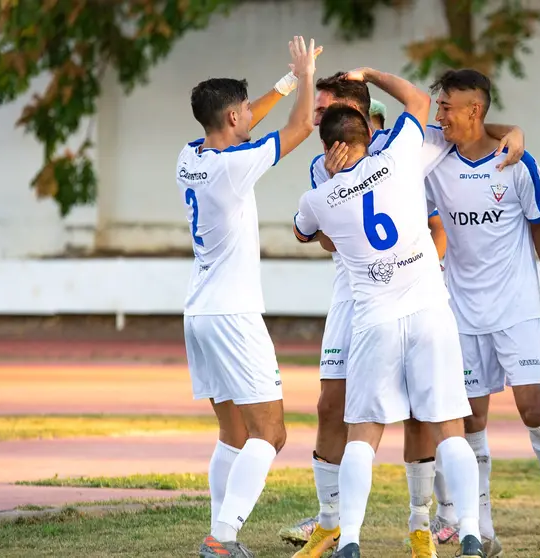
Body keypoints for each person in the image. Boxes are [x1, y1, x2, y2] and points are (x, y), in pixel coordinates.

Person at [281, 72, 527, 558]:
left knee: (363, 435)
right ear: (369, 135)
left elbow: (304, 231)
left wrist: (337, 183)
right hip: (429, 312)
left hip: (374, 319)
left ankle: (349, 540)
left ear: (329, 147)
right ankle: (472, 535)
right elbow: (418, 100)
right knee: (449, 429)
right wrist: (371, 72)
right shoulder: (398, 158)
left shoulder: (318, 194)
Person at [176, 36, 319, 558]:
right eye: (243, 113)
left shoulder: (190, 155)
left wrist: (280, 86)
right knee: (271, 434)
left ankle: (220, 536)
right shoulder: (235, 167)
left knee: (232, 435)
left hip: (200, 313)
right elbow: (300, 128)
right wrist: (305, 78)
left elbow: (245, 121)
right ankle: (223, 536)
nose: (248, 118)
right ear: (232, 116)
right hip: (234, 315)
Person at [422, 69, 540, 557]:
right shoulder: (434, 161)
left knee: (533, 410)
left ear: (475, 111)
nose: (438, 113)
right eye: (438, 104)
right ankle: (483, 526)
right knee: (471, 421)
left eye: (447, 106)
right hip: (460, 312)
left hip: (515, 309)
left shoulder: (516, 163)